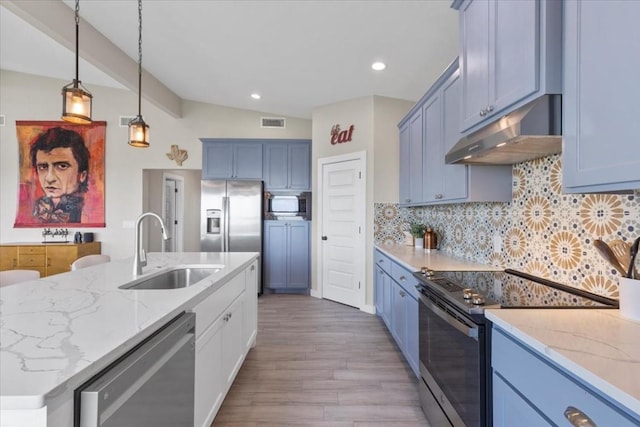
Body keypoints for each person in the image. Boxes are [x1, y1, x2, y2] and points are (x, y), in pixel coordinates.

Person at [29, 127, 90, 223]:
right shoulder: (34, 210)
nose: (49, 178)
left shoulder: (89, 211)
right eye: (43, 167)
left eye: (62, 166)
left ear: (82, 175)